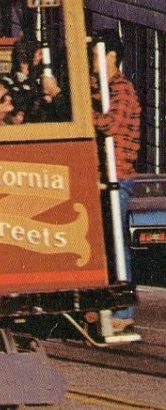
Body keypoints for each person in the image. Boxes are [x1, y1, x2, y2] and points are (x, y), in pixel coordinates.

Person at [91, 29, 141, 335]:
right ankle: (106, 303)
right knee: (104, 243)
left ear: (110, 55)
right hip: (102, 175)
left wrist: (86, 111)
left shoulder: (122, 90)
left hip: (118, 176)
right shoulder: (101, 89)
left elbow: (110, 124)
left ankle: (123, 309)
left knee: (117, 243)